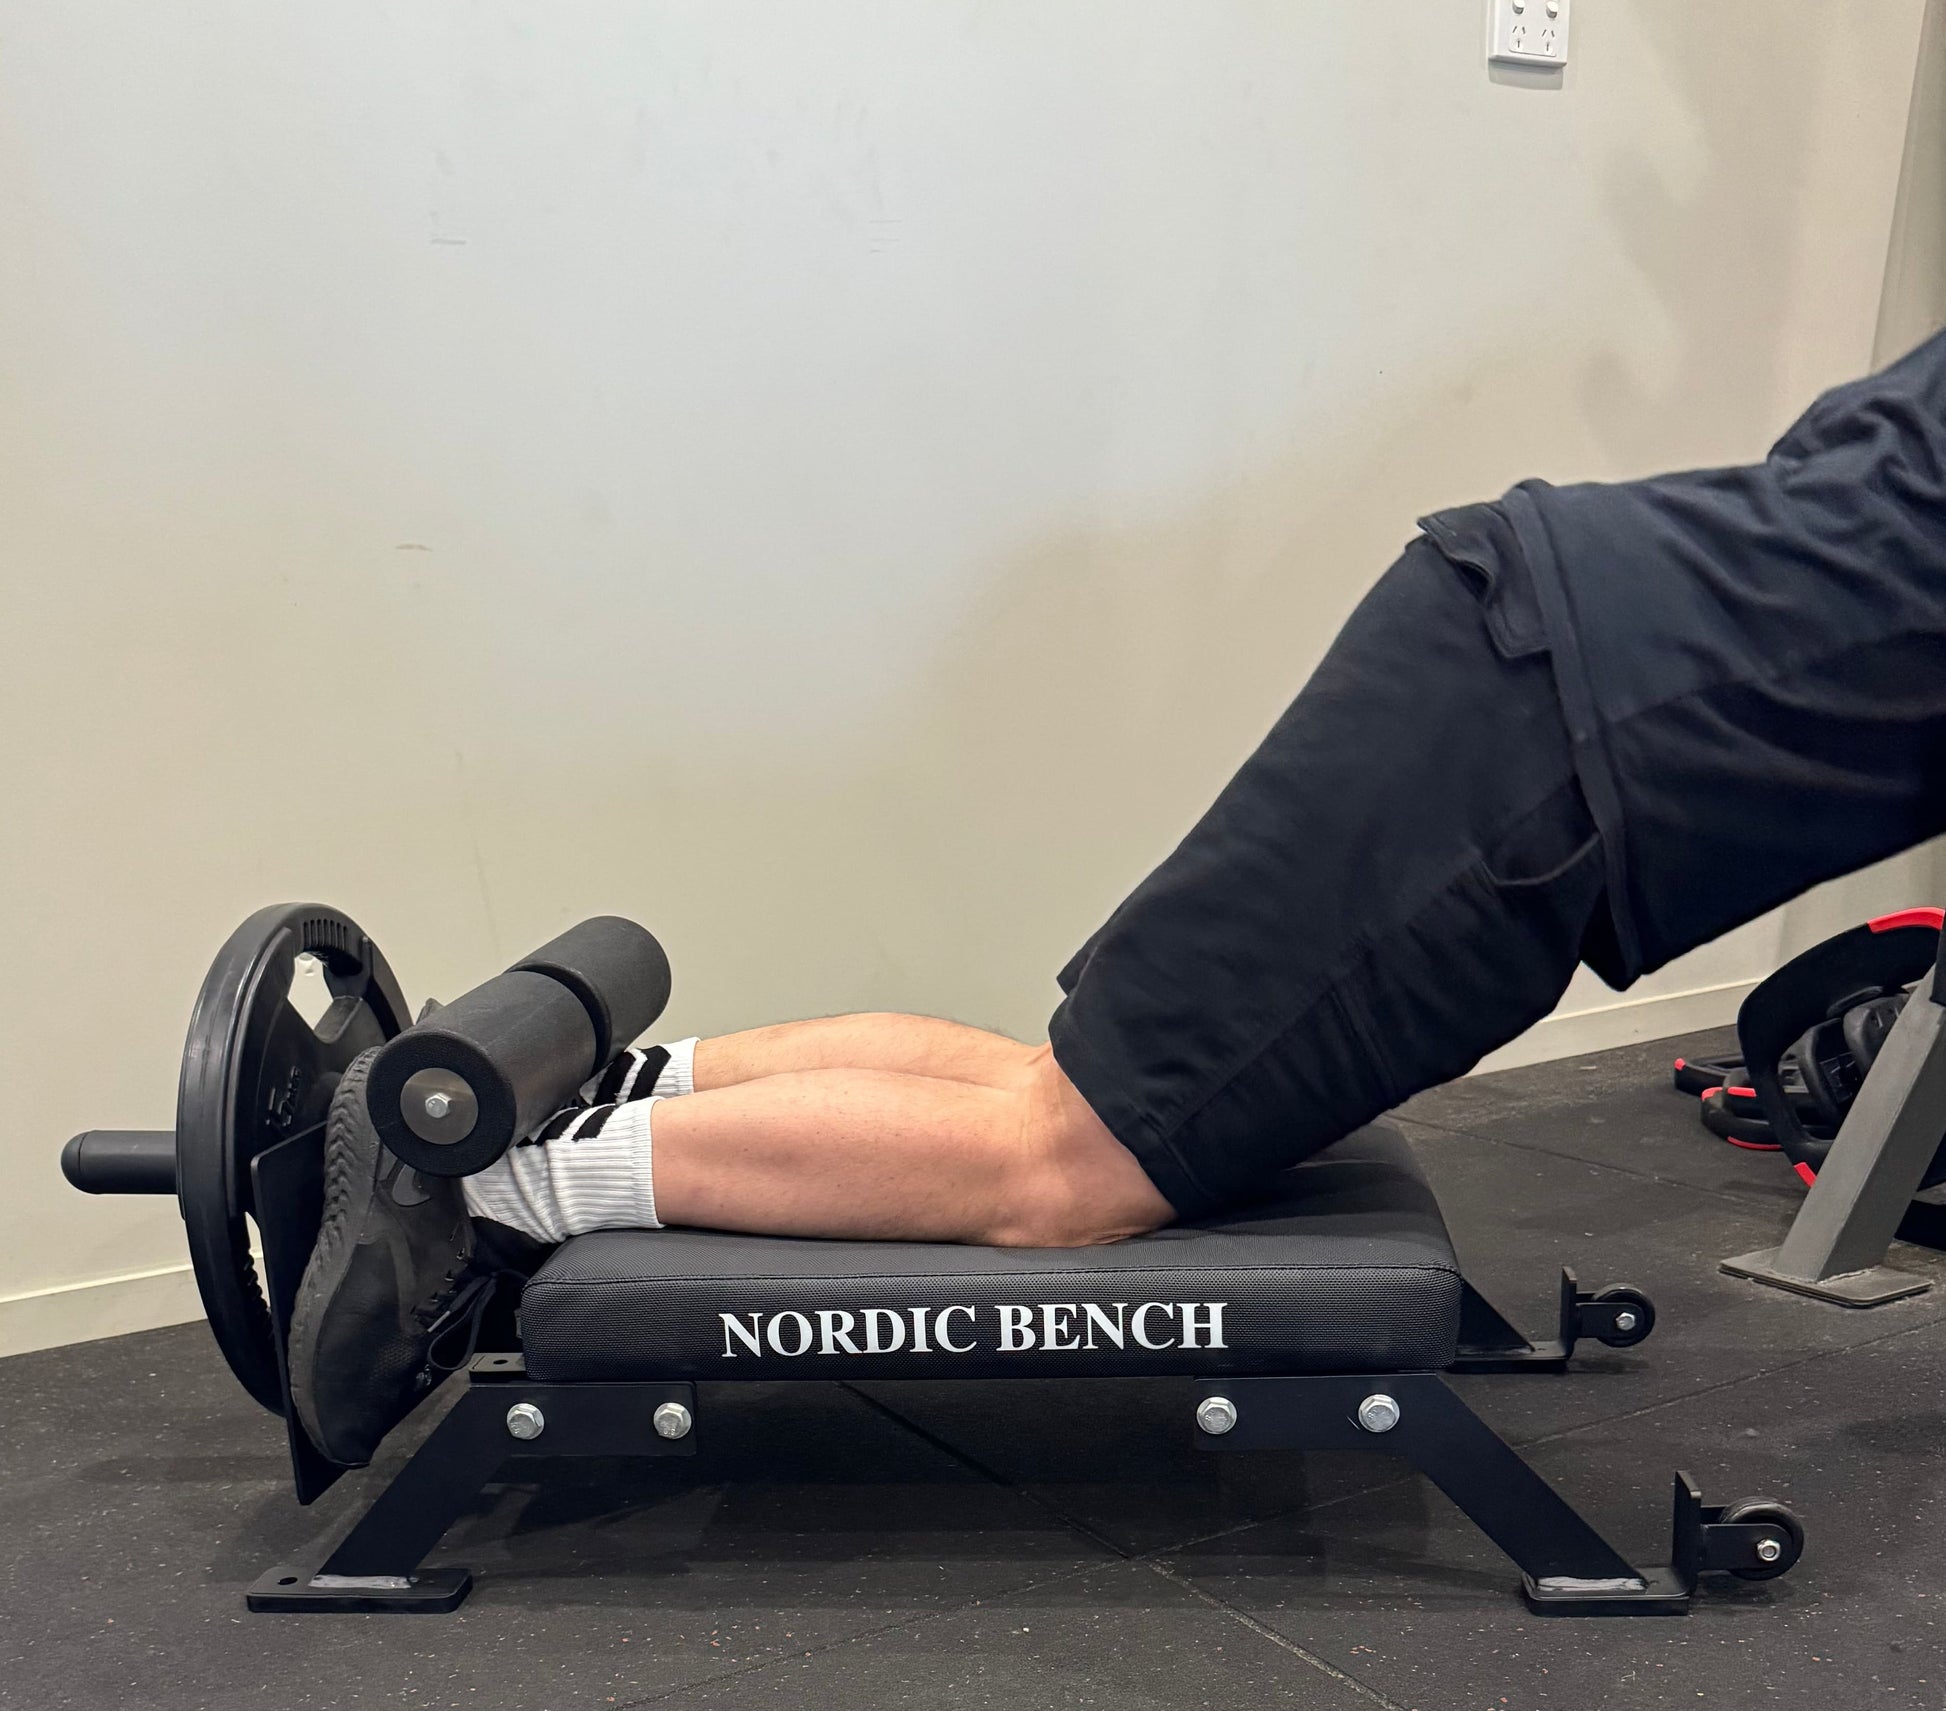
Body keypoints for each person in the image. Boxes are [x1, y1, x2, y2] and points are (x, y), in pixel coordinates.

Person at [289, 326, 1946, 1467]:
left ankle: (609, 1087)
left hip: (1522, 631)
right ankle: (490, 1179)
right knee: (1064, 1171)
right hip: (1556, 751)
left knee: (1048, 1090)